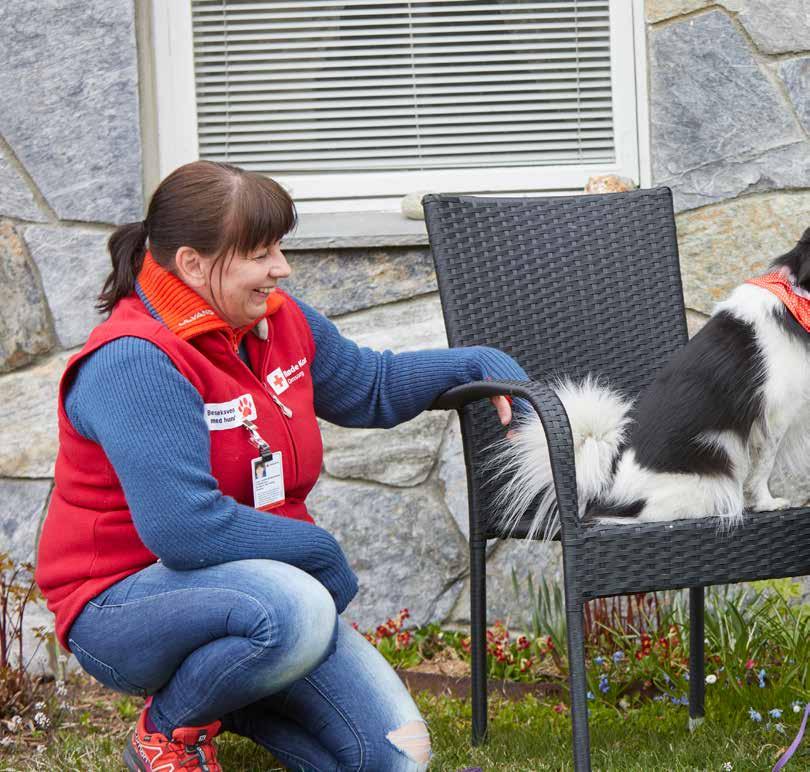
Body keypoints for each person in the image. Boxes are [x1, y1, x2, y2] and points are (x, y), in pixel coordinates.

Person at [35, 160, 527, 772]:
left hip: (257, 593)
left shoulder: (273, 321)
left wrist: (474, 364)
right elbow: (185, 531)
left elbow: (369, 386)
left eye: (279, 248)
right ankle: (166, 731)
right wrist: (317, 553)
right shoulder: (135, 361)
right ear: (191, 264)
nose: (281, 268)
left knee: (401, 755)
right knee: (298, 610)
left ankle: (233, 686)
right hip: (121, 605)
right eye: (261, 253)